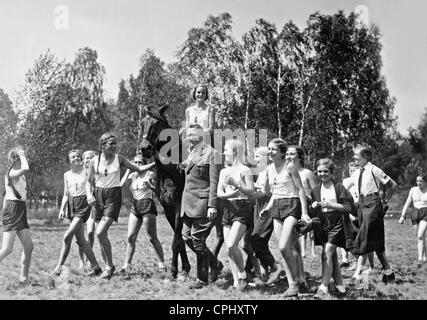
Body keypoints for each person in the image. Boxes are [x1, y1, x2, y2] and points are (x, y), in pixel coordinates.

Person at [86, 132, 156, 279]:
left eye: (115, 143)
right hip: (98, 196)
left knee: (100, 232)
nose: (114, 146)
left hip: (113, 196)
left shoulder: (120, 159)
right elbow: (89, 181)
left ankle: (109, 266)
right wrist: (89, 194)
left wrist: (157, 163)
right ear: (102, 145)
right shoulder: (94, 161)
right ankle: (107, 267)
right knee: (101, 234)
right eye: (111, 144)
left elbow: (139, 169)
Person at [259, 138, 310, 297]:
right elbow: (274, 193)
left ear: (282, 152)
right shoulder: (269, 169)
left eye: (273, 149)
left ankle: (296, 282)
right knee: (287, 249)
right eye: (269, 149)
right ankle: (295, 284)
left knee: (283, 246)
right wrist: (267, 208)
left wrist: (305, 213)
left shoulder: (290, 167)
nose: (270, 152)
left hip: (292, 205)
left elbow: (300, 190)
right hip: (277, 207)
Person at [226, 146, 281, 287]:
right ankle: (263, 274)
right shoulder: (260, 172)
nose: (255, 159)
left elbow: (266, 192)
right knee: (252, 243)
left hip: (267, 207)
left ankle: (275, 268)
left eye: (257, 156)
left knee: (256, 241)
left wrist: (242, 188)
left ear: (265, 158)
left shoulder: (269, 171)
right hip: (257, 207)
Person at [347, 144, 397, 283]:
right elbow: (344, 188)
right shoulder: (357, 172)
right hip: (361, 206)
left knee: (364, 237)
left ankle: (358, 275)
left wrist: (385, 201)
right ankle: (388, 272)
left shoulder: (374, 169)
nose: (354, 157)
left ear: (365, 156)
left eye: (357, 155)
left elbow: (392, 184)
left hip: (373, 204)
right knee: (374, 240)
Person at [180, 124, 223, 289]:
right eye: (187, 135)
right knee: (186, 236)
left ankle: (202, 278)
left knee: (198, 239)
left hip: (203, 203)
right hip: (188, 203)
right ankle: (215, 263)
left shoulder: (212, 153)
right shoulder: (191, 153)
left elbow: (214, 182)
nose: (188, 137)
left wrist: (212, 205)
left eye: (191, 134)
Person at [53, 149, 102, 276]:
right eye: (73, 157)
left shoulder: (87, 172)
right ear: (69, 161)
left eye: (78, 156)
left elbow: (93, 186)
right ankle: (97, 268)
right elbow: (65, 194)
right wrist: (62, 209)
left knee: (67, 236)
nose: (76, 158)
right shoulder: (66, 175)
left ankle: (58, 268)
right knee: (81, 241)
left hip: (83, 205)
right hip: (71, 205)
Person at [309, 158, 353, 297]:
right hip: (323, 223)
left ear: (332, 172)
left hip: (338, 222)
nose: (322, 174)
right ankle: (341, 287)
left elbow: (347, 207)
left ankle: (323, 287)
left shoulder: (339, 187)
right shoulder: (316, 189)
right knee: (331, 256)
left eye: (326, 171)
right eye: (319, 171)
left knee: (327, 252)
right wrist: (313, 206)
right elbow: (311, 209)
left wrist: (330, 204)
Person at [217, 139, 256, 291]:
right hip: (227, 208)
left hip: (242, 208)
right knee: (228, 249)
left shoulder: (245, 170)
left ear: (234, 151)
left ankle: (242, 276)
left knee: (232, 244)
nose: (223, 153)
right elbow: (219, 193)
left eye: (226, 150)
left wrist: (236, 184)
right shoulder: (223, 171)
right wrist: (229, 194)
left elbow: (251, 193)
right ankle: (236, 283)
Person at [119, 153, 166, 274]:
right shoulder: (132, 175)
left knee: (152, 237)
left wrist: (150, 186)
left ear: (145, 164)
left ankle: (162, 264)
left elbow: (157, 191)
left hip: (147, 205)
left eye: (140, 162)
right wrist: (128, 169)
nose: (137, 164)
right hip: (135, 206)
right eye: (135, 162)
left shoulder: (149, 174)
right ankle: (126, 266)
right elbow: (121, 185)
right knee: (130, 237)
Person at [0, 147, 34, 284]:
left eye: (20, 158)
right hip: (13, 209)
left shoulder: (20, 175)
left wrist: (2, 213)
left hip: (19, 208)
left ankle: (24, 278)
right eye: (17, 158)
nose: (20, 160)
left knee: (29, 246)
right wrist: (22, 154)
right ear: (12, 160)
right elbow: (26, 168)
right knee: (7, 249)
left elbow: (6, 195)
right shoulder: (13, 173)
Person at [286, 145, 317, 259]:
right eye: (287, 154)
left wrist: (310, 198)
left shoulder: (307, 173)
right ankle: (301, 252)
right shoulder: (285, 171)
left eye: (292, 154)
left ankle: (313, 251)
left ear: (299, 157)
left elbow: (315, 191)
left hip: (306, 204)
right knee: (295, 231)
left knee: (309, 230)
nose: (289, 156)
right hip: (292, 205)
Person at [77, 150, 99, 269]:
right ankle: (81, 261)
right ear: (83, 160)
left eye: (92, 157)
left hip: (92, 207)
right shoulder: (79, 173)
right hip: (80, 207)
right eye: (87, 158)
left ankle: (90, 258)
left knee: (90, 233)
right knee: (80, 235)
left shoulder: (97, 173)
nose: (89, 159)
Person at [399, 174, 427, 262]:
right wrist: (402, 216)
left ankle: (420, 259)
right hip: (415, 214)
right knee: (420, 236)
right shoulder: (413, 190)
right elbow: (407, 203)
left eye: (421, 181)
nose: (419, 183)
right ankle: (425, 257)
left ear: (425, 182)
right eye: (417, 181)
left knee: (420, 235)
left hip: (425, 213)